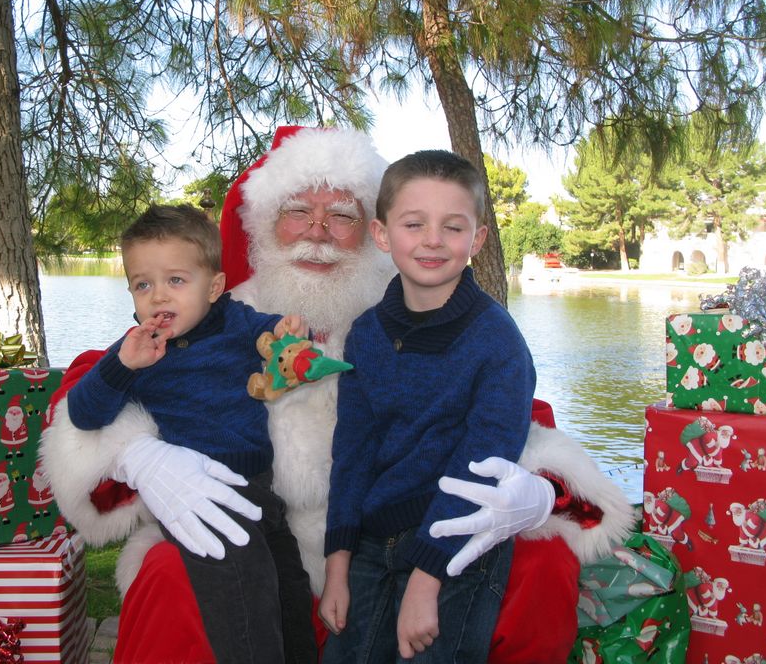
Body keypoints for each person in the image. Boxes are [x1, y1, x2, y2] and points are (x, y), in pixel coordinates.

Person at [40, 126, 636, 664]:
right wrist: (140, 455)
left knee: (538, 562)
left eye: (342, 214)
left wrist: (541, 490)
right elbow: (96, 381)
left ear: (374, 232)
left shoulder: (407, 319)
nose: (319, 231)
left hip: (388, 538)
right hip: (251, 532)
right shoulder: (211, 316)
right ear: (262, 227)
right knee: (171, 569)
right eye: (298, 210)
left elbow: (510, 411)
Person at [64, 204, 317, 664]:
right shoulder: (139, 351)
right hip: (196, 496)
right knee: (246, 600)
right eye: (143, 285)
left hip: (259, 489)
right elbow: (83, 414)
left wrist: (290, 329)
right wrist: (123, 367)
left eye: (176, 281)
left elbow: (274, 333)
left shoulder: (234, 321)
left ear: (214, 287)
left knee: (290, 591)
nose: (159, 297)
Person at [320, 150, 534, 663]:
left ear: (477, 239)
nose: (433, 240)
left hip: (458, 540)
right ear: (382, 234)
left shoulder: (498, 342)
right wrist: (337, 563)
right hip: (373, 540)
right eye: (414, 224)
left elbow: (481, 467)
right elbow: (352, 453)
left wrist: (426, 577)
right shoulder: (366, 335)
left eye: (453, 227)